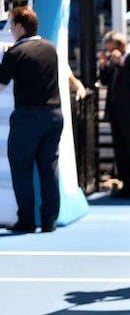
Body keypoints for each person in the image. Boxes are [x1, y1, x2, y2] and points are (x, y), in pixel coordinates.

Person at [0, 6, 70, 233]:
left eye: (11, 26)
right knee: (49, 168)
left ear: (20, 27)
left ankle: (27, 220)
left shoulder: (15, 53)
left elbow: (1, 83)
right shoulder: (50, 48)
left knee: (21, 167)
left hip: (27, 116)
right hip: (53, 115)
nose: (10, 30)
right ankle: (49, 220)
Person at [98, 31, 130, 199]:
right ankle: (125, 185)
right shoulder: (113, 62)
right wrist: (104, 65)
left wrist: (120, 64)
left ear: (120, 46)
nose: (109, 53)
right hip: (115, 113)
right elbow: (105, 81)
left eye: (110, 49)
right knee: (120, 151)